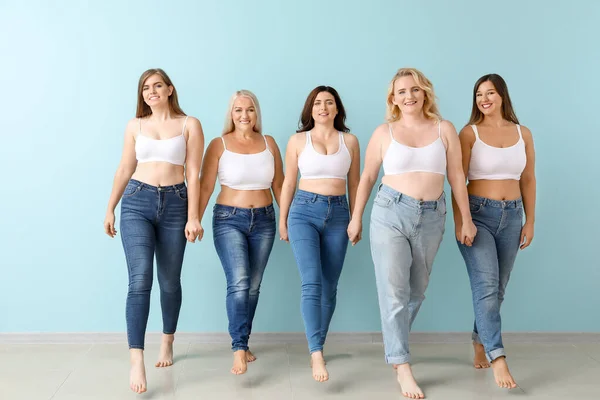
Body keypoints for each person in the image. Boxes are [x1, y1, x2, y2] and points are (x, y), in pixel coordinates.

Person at [346, 68, 476, 399]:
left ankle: (395, 347)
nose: (409, 96)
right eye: (402, 91)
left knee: (416, 292)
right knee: (393, 292)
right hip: (390, 211)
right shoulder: (383, 132)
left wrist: (466, 220)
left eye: (415, 90)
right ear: (393, 99)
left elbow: (457, 177)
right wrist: (356, 217)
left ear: (425, 93)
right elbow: (367, 177)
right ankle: (402, 365)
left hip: (433, 214)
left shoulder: (444, 129)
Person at [103, 68, 204, 394]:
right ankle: (137, 358)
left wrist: (193, 217)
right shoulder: (135, 125)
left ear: (170, 89)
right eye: (146, 87)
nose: (151, 91)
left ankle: (167, 340)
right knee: (140, 279)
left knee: (170, 282)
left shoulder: (190, 124)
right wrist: (110, 207)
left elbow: (194, 173)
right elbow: (124, 167)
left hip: (176, 203)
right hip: (136, 202)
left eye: (157, 85)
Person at [453, 73, 536, 389]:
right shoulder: (468, 133)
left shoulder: (522, 133)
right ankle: (498, 357)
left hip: (513, 216)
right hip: (478, 215)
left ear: (503, 96)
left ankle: (479, 339)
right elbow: (457, 180)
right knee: (486, 285)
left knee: (498, 288)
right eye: (478, 94)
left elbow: (528, 179)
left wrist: (529, 220)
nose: (484, 99)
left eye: (489, 93)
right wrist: (463, 221)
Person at [198, 90, 284, 375]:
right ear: (231, 114)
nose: (244, 115)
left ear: (256, 113)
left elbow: (280, 186)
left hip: (265, 220)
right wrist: (194, 219)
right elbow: (205, 185)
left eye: (249, 110)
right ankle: (238, 348)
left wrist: (287, 220)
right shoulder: (218, 144)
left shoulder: (269, 143)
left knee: (254, 286)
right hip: (228, 219)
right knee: (239, 281)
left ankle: (244, 342)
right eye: (238, 110)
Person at [279, 86, 360, 382]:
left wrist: (356, 218)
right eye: (317, 103)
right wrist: (283, 219)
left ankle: (319, 343)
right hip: (303, 212)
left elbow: (355, 185)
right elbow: (289, 182)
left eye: (329, 102)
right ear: (310, 109)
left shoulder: (350, 141)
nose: (323, 107)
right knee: (311, 281)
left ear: (337, 109)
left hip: (339, 214)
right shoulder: (297, 140)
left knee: (330, 285)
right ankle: (316, 354)